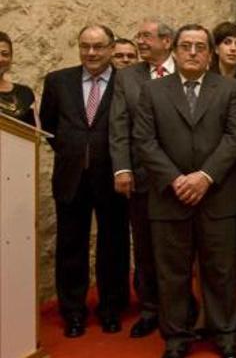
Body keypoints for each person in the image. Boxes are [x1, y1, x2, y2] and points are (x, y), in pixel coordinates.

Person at [134, 24, 236, 358]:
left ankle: (225, 333)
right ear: (175, 51)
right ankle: (177, 337)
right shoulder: (152, 91)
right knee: (172, 273)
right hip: (170, 197)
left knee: (222, 271)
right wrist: (176, 179)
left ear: (210, 54)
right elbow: (144, 140)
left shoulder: (228, 89)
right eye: (186, 46)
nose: (193, 52)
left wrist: (205, 176)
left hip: (218, 196)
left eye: (200, 47)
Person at [40, 24, 129, 338]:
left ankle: (111, 308)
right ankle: (73, 312)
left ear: (111, 47)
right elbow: (49, 126)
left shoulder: (127, 82)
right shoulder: (58, 81)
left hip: (114, 179)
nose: (91, 53)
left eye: (99, 47)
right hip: (71, 178)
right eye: (85, 46)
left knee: (113, 245)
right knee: (70, 246)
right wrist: (74, 151)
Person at [109, 19, 175, 338]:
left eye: (146, 36)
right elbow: (118, 124)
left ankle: (181, 306)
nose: (141, 42)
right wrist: (122, 168)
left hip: (182, 178)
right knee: (146, 247)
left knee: (179, 248)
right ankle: (151, 309)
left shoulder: (188, 69)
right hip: (143, 177)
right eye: (139, 37)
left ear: (166, 41)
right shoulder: (127, 78)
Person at [0, 31, 37, 125]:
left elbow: (36, 134)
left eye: (5, 54)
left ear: (11, 58)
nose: (0, 59)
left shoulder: (25, 94)